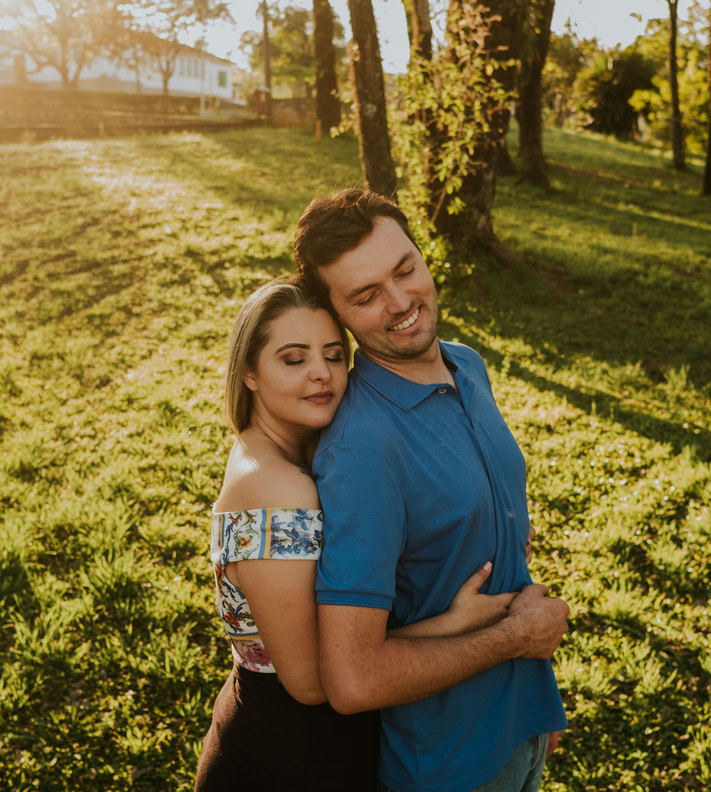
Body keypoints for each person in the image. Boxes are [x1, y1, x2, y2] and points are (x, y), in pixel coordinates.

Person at [292, 189, 572, 792]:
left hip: (522, 722)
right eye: (366, 296)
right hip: (450, 765)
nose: (401, 303)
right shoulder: (360, 449)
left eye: (406, 269)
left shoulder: (467, 364)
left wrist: (536, 704)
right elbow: (353, 680)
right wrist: (517, 638)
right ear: (336, 314)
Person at [194, 278, 519, 792]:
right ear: (250, 373)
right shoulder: (277, 488)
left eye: (332, 354)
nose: (322, 374)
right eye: (293, 359)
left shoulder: (281, 457)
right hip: (295, 758)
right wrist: (455, 624)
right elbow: (314, 682)